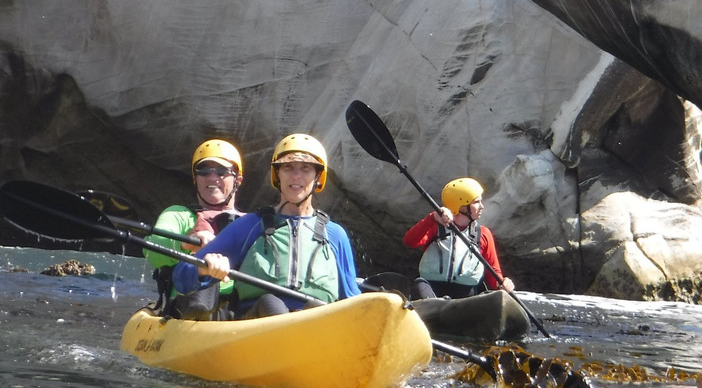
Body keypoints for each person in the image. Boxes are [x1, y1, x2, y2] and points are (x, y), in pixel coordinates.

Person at [172, 133, 361, 319]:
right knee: (271, 303)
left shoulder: (335, 235)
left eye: (305, 168)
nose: (296, 176)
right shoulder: (251, 226)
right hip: (258, 322)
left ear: (318, 177)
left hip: (315, 323)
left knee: (316, 309)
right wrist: (203, 269)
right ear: (277, 175)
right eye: (287, 167)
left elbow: (353, 301)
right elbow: (181, 275)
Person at [145, 139, 244, 320]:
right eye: (204, 171)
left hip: (238, 308)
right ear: (195, 179)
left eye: (222, 172)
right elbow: (152, 247)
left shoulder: (251, 223)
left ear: (237, 180)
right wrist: (185, 243)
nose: (212, 178)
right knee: (205, 290)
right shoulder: (178, 215)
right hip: (192, 304)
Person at [403, 177, 514, 300]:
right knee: (419, 285)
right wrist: (432, 218)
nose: (482, 206)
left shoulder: (483, 234)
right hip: (431, 288)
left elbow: (493, 271)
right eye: (476, 202)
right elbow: (409, 241)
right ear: (460, 206)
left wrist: (502, 283)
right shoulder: (435, 226)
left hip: (465, 294)